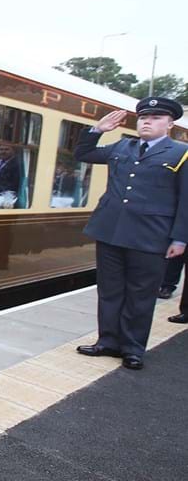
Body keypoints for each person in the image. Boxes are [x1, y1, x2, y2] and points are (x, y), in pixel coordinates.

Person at [74, 97, 188, 370]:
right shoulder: (123, 145)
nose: (147, 121)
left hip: (151, 236)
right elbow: (83, 154)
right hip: (110, 230)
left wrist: (180, 238)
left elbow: (186, 200)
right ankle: (108, 341)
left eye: (156, 117)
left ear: (170, 124)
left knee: (140, 294)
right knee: (110, 290)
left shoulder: (181, 153)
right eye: (143, 117)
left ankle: (133, 348)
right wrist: (97, 130)